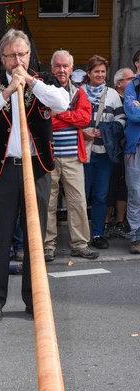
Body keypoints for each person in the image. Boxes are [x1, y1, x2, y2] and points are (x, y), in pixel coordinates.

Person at [0, 29, 69, 323]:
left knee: (34, 238)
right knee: (0, 236)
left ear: (29, 55)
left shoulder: (44, 81)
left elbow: (62, 103)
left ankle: (34, 299)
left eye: (22, 54)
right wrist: (6, 92)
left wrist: (28, 81)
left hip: (37, 168)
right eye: (12, 55)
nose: (17, 60)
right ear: (3, 57)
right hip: (3, 169)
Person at [44, 51, 98, 262]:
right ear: (52, 68)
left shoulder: (77, 93)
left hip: (73, 157)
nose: (61, 70)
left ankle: (80, 244)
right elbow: (46, 121)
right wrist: (69, 119)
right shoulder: (45, 92)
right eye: (57, 66)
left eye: (65, 66)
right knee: (48, 203)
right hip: (47, 157)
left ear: (72, 67)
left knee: (78, 202)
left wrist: (61, 115)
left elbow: (84, 118)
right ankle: (48, 246)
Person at [82, 55, 126, 250]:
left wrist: (105, 130)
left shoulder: (113, 95)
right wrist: (82, 131)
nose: (100, 74)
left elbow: (122, 120)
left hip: (104, 154)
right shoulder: (78, 92)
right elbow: (69, 117)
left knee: (101, 195)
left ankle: (98, 234)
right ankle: (81, 236)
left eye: (103, 71)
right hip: (81, 154)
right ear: (89, 73)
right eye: (96, 71)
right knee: (80, 196)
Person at [104, 67, 135, 239]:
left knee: (124, 186)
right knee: (109, 185)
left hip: (127, 148)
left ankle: (120, 222)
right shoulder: (112, 97)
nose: (134, 80)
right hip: (111, 149)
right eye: (130, 78)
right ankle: (106, 223)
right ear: (119, 83)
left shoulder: (132, 97)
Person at [124, 49, 140, 254]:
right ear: (137, 63)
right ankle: (135, 237)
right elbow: (132, 113)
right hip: (135, 146)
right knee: (136, 193)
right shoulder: (132, 85)